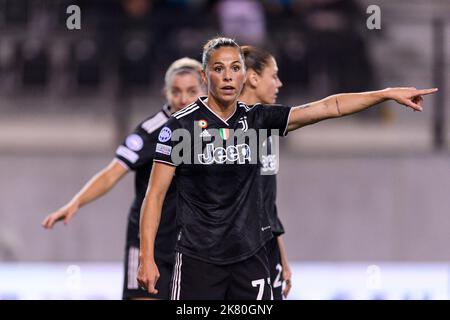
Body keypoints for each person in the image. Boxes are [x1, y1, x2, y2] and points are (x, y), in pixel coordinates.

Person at [137, 37, 437, 300]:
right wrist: (146, 257)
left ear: (244, 74)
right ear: (205, 75)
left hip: (250, 258)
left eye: (235, 68)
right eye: (218, 69)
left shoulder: (257, 119)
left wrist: (384, 94)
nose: (228, 76)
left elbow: (327, 107)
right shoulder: (179, 128)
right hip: (198, 261)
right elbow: (155, 195)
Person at [41, 57, 206, 300]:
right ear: (165, 92)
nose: (183, 99)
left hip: (193, 243)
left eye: (191, 91)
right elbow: (112, 173)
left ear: (204, 92)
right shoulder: (152, 131)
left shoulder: (212, 128)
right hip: (151, 243)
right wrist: (76, 202)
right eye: (176, 92)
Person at [239, 45, 291, 300]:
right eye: (274, 75)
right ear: (253, 77)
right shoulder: (222, 128)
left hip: (265, 245)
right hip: (232, 250)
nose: (279, 83)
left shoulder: (268, 127)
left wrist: (280, 252)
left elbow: (266, 200)